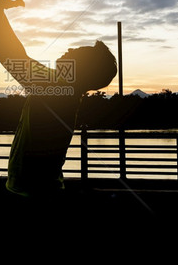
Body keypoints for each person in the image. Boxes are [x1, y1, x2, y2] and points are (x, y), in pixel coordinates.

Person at [6, 40, 117, 197]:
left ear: (81, 69)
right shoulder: (62, 87)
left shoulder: (55, 89)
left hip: (35, 192)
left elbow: (12, 55)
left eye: (78, 52)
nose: (70, 48)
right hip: (41, 188)